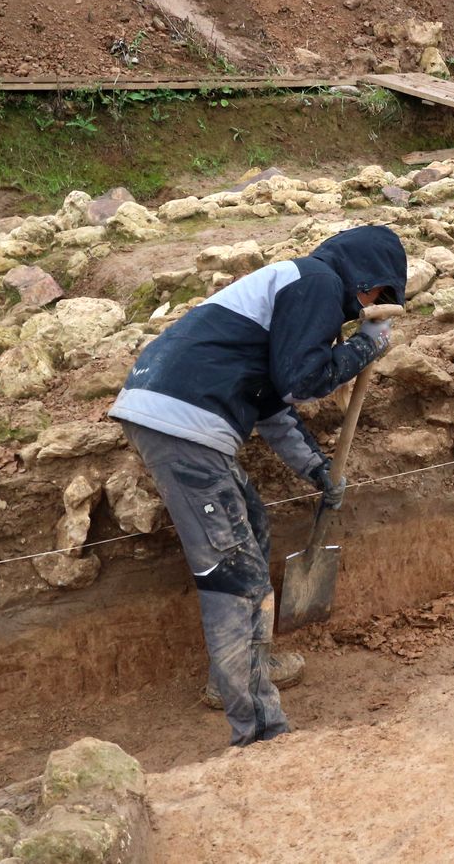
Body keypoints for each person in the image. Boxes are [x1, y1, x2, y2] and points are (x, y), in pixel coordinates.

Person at [109, 225, 406, 746]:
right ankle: (259, 730)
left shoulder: (296, 289)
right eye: (377, 299)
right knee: (235, 574)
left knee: (251, 523)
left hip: (177, 413)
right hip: (184, 420)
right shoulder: (316, 281)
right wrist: (363, 349)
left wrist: (318, 470)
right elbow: (301, 381)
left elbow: (276, 407)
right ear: (367, 279)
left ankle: (249, 666)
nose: (366, 311)